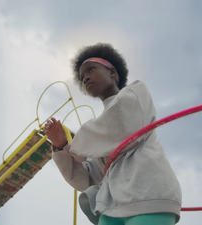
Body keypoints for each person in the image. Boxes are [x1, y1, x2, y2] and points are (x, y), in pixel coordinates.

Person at [45, 43, 182, 225]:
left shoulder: (136, 93)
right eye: (82, 76)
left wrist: (75, 148)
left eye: (91, 69)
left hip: (148, 196)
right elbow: (86, 179)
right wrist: (61, 147)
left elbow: (120, 124)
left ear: (112, 72)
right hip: (112, 208)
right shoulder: (100, 138)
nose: (85, 78)